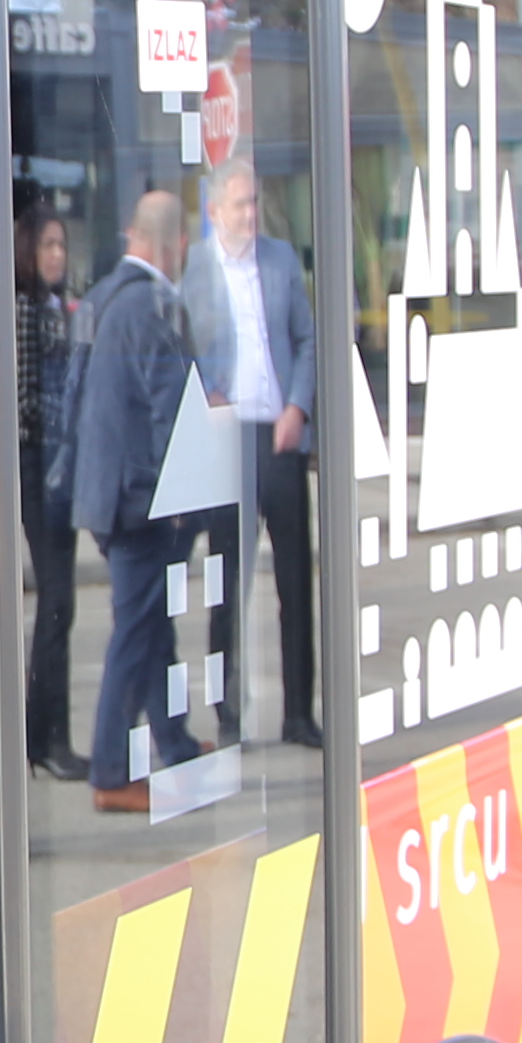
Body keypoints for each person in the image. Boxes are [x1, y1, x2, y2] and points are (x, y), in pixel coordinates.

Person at [183, 159, 321, 751]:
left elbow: (308, 339)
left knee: (296, 583)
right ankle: (229, 715)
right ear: (215, 212)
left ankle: (299, 714)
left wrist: (298, 407)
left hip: (279, 435)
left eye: (254, 202)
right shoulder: (196, 268)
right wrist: (206, 392)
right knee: (228, 585)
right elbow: (180, 345)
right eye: (240, 204)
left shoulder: (281, 259)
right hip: (228, 438)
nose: (250, 214)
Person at [70, 187, 195, 807]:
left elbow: (74, 391)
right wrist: (182, 492)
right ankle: (112, 773)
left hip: (103, 490)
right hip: (140, 496)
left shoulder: (100, 296)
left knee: (150, 623)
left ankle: (174, 742)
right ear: (177, 244)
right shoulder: (154, 305)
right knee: (135, 631)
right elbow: (171, 410)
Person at [16, 207, 84, 779]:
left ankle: (45, 734)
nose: (57, 255)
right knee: (56, 599)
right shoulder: (23, 309)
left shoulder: (59, 308)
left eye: (62, 245)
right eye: (47, 245)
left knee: (62, 604)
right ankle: (45, 737)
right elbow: (23, 398)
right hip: (36, 462)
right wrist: (68, 416)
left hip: (61, 462)